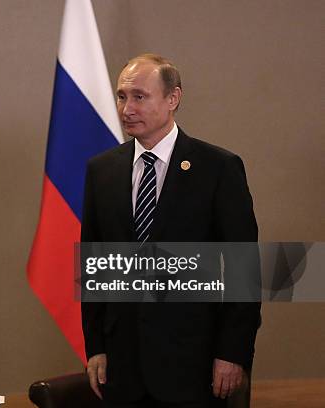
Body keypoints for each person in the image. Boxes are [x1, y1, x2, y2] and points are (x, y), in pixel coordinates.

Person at [81, 54, 261, 408]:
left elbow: (244, 270)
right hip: (123, 366)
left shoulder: (218, 168)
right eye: (121, 96)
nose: (127, 108)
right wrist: (96, 347)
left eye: (139, 96)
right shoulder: (102, 170)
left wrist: (232, 353)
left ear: (173, 99)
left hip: (194, 365)